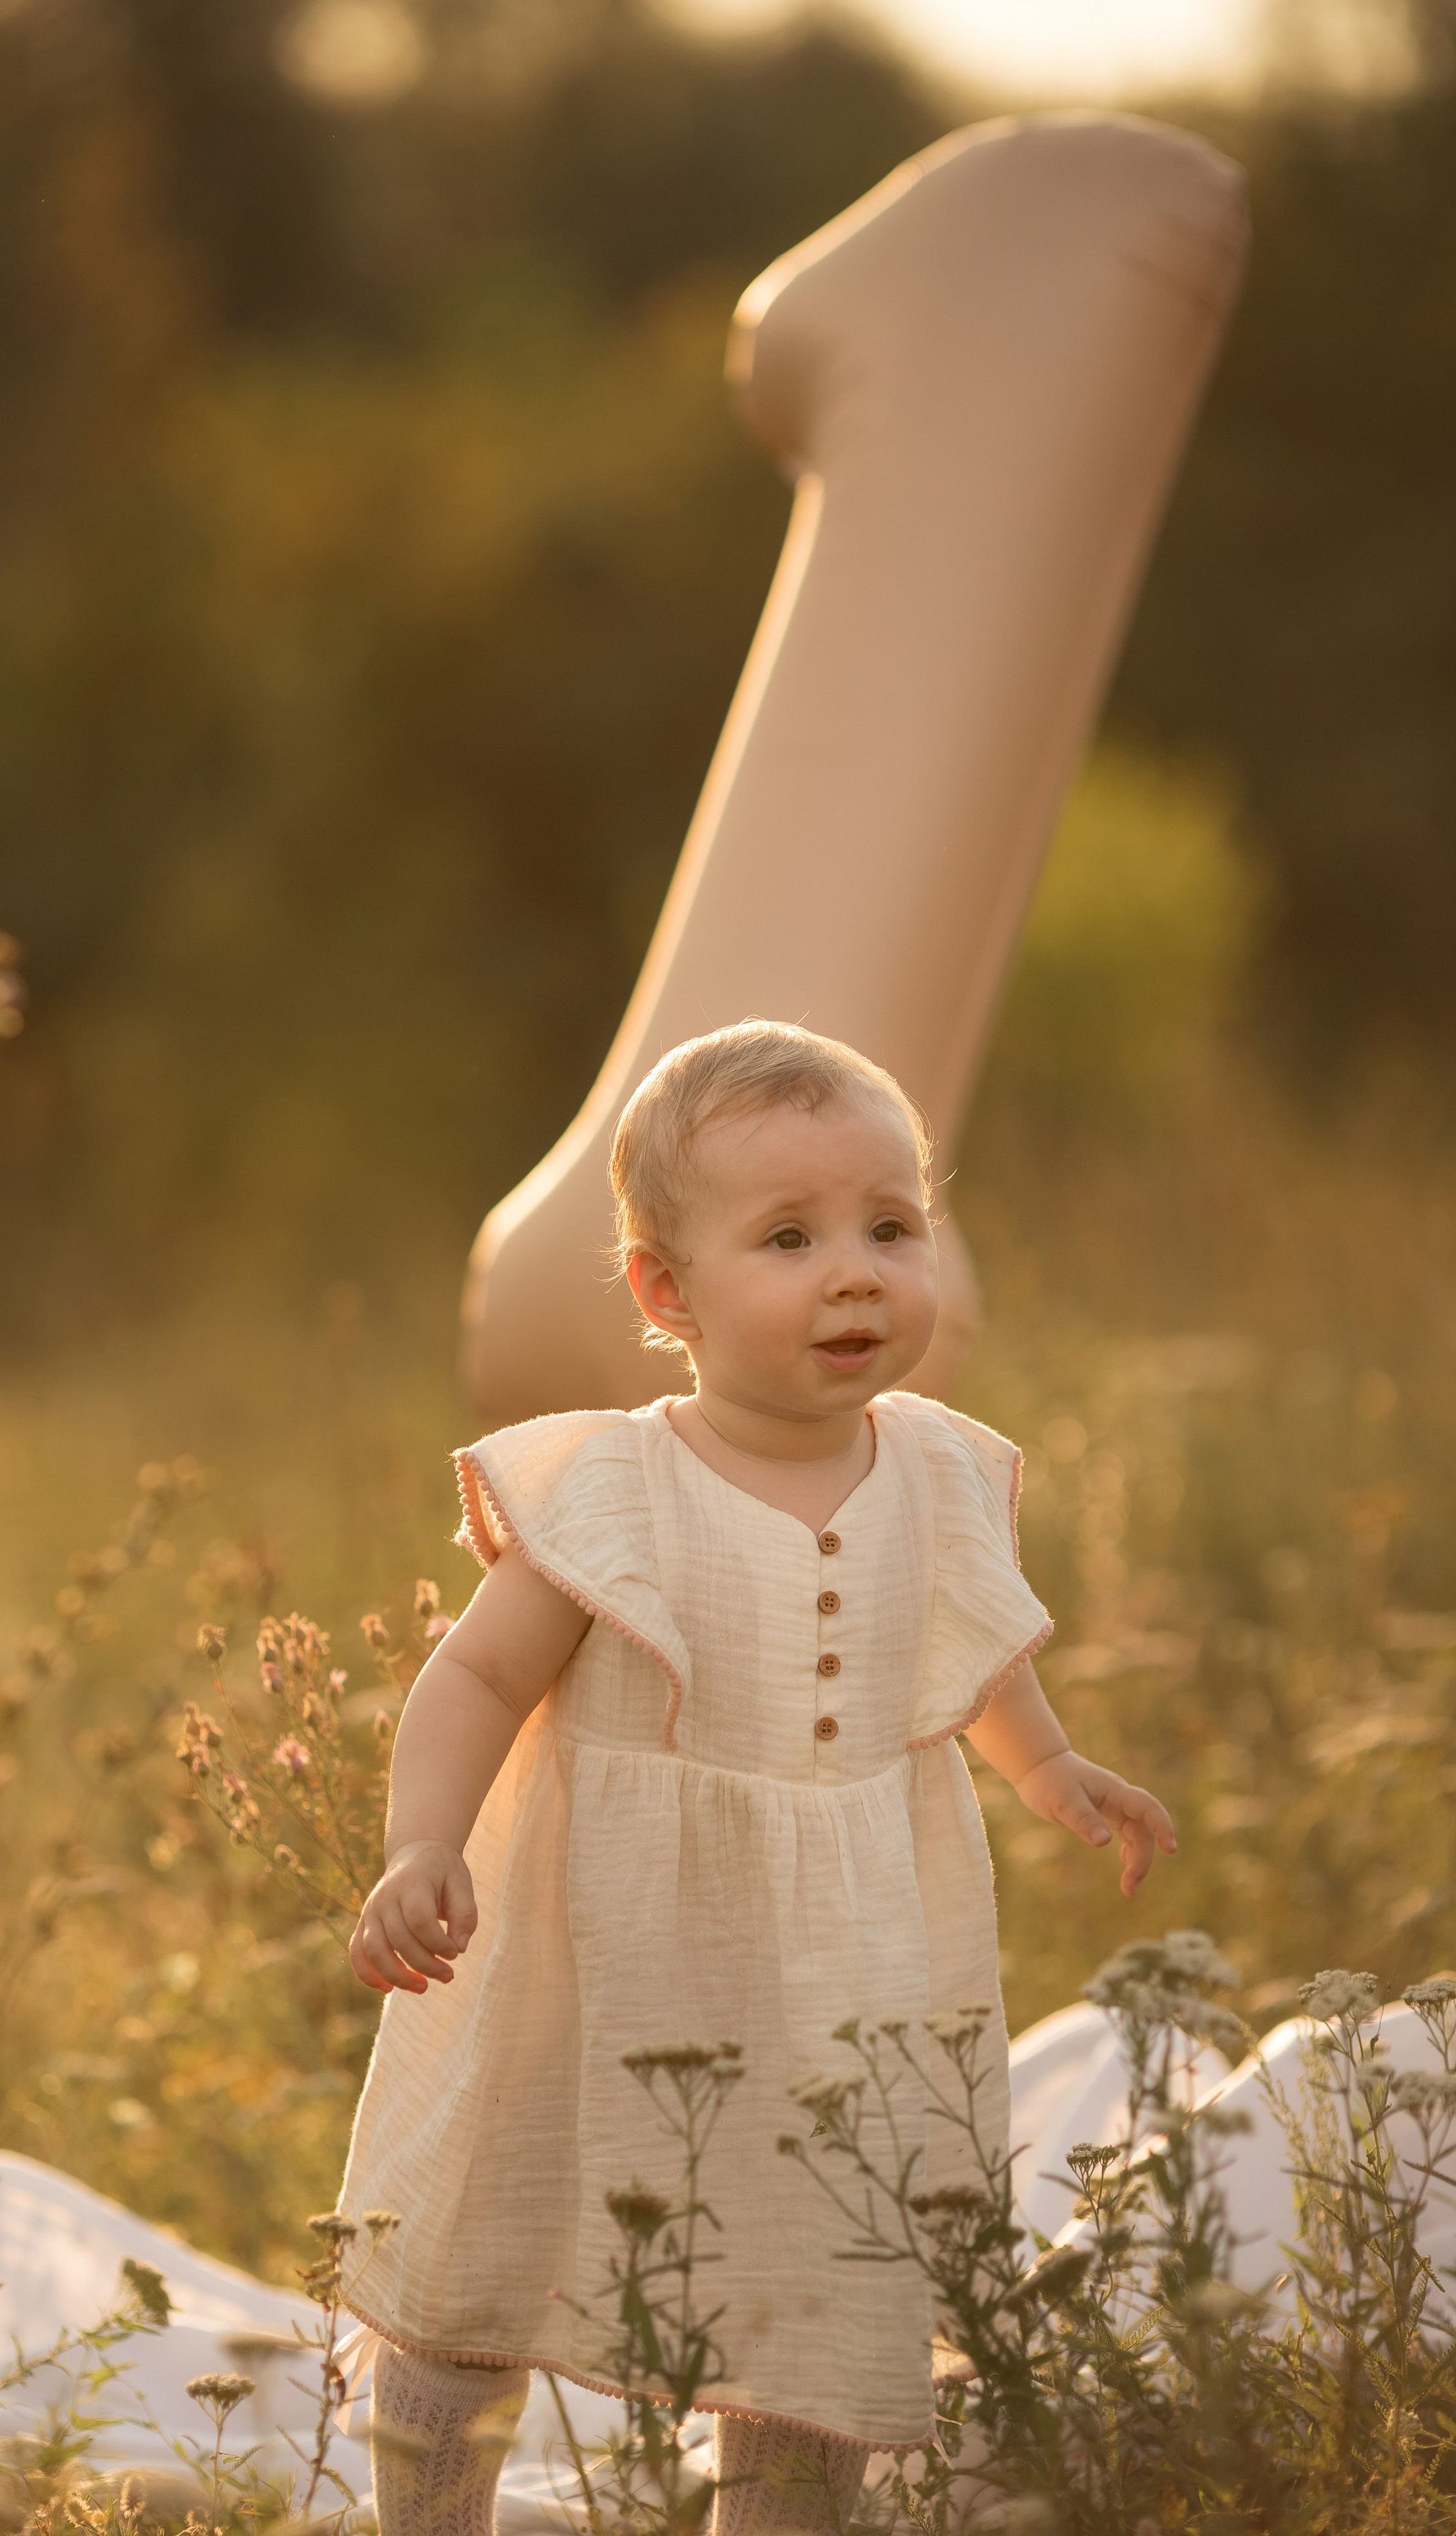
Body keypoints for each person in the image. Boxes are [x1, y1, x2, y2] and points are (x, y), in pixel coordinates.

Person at [339, 1020, 1175, 2535]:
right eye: (788, 1237)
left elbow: (971, 1646)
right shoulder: (607, 1487)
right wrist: (420, 1845)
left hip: (842, 1969)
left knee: (812, 2293)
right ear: (668, 1292)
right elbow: (472, 1675)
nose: (854, 1270)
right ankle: (427, 2513)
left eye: (889, 1227)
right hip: (587, 1955)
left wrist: (1047, 1765)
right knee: (480, 2245)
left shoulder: (935, 1468)